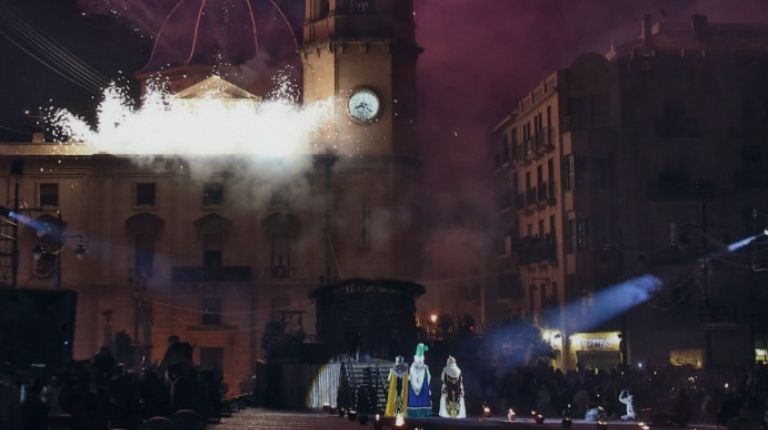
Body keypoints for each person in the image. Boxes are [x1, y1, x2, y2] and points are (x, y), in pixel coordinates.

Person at [407, 343, 432, 417]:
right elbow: (417, 364)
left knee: (423, 392)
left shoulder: (422, 357)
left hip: (422, 373)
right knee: (418, 392)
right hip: (416, 373)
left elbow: (421, 364)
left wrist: (423, 367)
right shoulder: (416, 357)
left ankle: (422, 410)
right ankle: (415, 410)